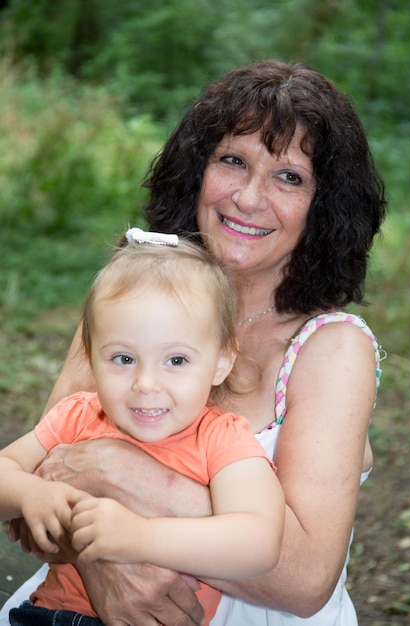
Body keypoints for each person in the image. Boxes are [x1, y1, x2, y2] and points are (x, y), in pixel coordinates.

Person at [0, 59, 386, 626]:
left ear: (323, 207)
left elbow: (305, 581)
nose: (250, 198)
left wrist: (121, 475)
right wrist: (105, 568)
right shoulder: (131, 301)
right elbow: (38, 495)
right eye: (233, 160)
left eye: (289, 177)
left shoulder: (330, 349)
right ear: (196, 170)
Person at [0, 231, 284, 626]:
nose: (146, 383)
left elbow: (260, 542)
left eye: (177, 361)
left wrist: (140, 536)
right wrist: (31, 492)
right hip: (50, 616)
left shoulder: (222, 439)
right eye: (123, 357)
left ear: (221, 361)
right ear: (91, 356)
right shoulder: (79, 416)